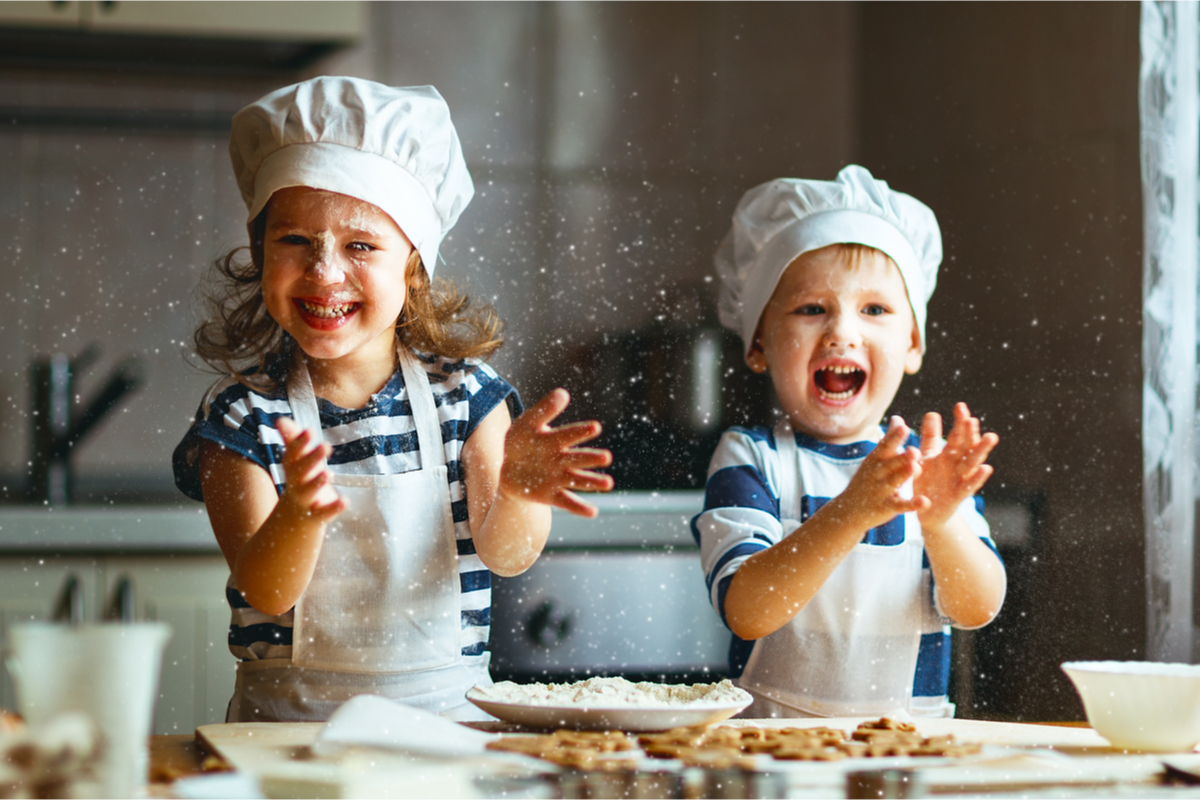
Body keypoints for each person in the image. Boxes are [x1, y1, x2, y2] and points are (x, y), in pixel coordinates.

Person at [172, 77, 613, 722]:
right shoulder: (242, 419)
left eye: (361, 246)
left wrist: (516, 491)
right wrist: (299, 513)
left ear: (413, 266)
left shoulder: (468, 398)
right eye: (294, 240)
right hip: (288, 736)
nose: (324, 272)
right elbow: (266, 591)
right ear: (260, 253)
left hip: (448, 729)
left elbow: (507, 557)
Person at [693, 165, 1006, 719]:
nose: (842, 331)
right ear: (759, 341)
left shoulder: (926, 468)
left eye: (875, 310)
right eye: (811, 309)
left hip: (908, 757)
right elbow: (746, 609)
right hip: (770, 755)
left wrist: (938, 521)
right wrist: (850, 513)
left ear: (912, 344)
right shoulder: (751, 458)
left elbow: (977, 607)